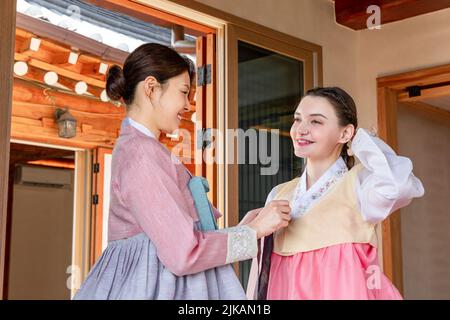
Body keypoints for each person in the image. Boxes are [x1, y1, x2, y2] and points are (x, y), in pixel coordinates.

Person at [73, 43, 291, 300]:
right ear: (151, 88)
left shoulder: (140, 148)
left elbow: (181, 242)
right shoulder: (142, 153)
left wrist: (248, 228)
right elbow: (183, 253)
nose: (188, 105)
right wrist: (253, 232)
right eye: (184, 92)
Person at [247, 86, 425, 300]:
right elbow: (263, 273)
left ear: (345, 133)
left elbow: (399, 183)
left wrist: (360, 141)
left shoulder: (360, 185)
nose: (300, 129)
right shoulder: (279, 194)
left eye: (316, 121)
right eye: (297, 119)